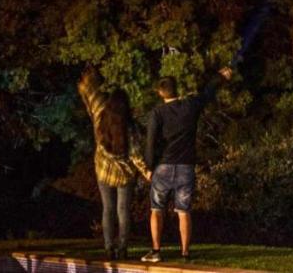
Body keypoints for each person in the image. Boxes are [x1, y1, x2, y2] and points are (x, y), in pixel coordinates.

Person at [141, 65, 233, 263]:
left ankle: (156, 252)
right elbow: (207, 93)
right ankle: (185, 253)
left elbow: (150, 142)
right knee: (183, 211)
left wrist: (149, 167)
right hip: (186, 166)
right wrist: (221, 76)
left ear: (160, 93)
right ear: (177, 90)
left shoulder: (157, 113)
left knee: (157, 209)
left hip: (164, 166)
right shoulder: (190, 105)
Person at [78, 66, 151, 260]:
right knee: (123, 210)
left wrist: (87, 82)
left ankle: (109, 247)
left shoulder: (101, 116)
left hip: (103, 170)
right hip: (125, 174)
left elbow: (92, 98)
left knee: (107, 209)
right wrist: (146, 172)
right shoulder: (130, 127)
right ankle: (122, 247)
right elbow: (136, 154)